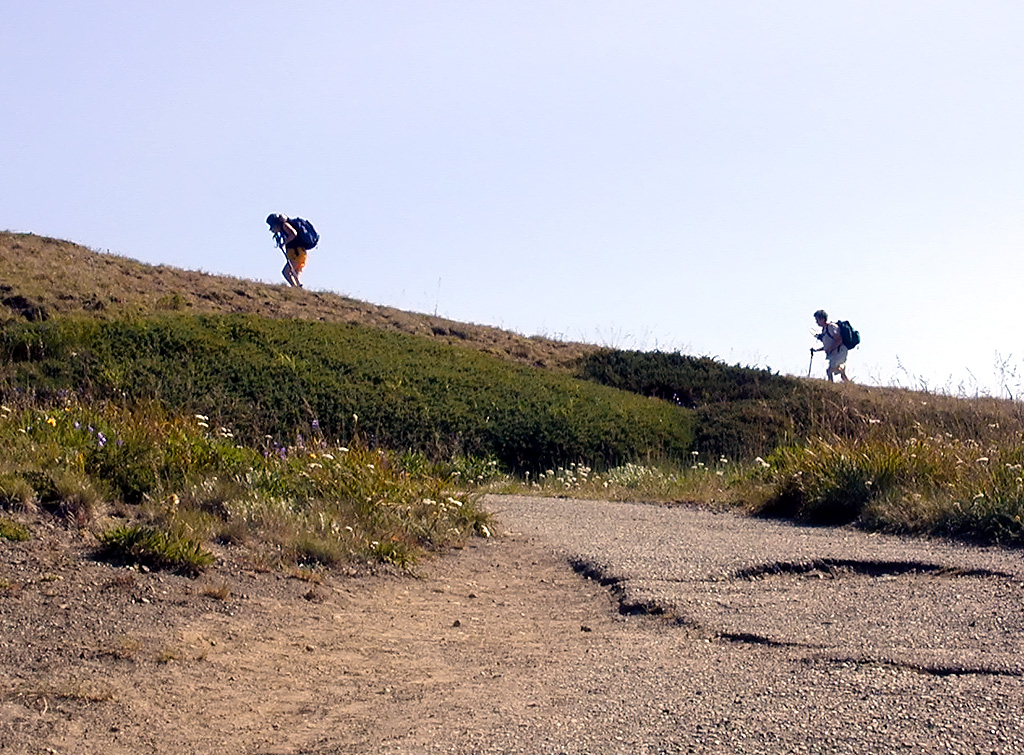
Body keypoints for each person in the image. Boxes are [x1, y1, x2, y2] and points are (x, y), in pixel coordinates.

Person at [266, 213, 306, 288]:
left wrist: (284, 243)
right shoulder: (282, 228)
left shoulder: (285, 225)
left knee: (286, 272)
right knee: (294, 273)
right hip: (298, 253)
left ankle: (296, 288)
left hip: (297, 253)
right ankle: (298, 289)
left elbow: (293, 234)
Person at [811, 309, 850, 382]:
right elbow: (827, 346)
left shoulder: (831, 327)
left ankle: (831, 385)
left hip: (839, 352)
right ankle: (851, 387)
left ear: (822, 319)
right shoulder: (824, 330)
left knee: (829, 371)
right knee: (842, 375)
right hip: (835, 353)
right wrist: (816, 350)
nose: (816, 322)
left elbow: (839, 340)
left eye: (817, 320)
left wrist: (831, 349)